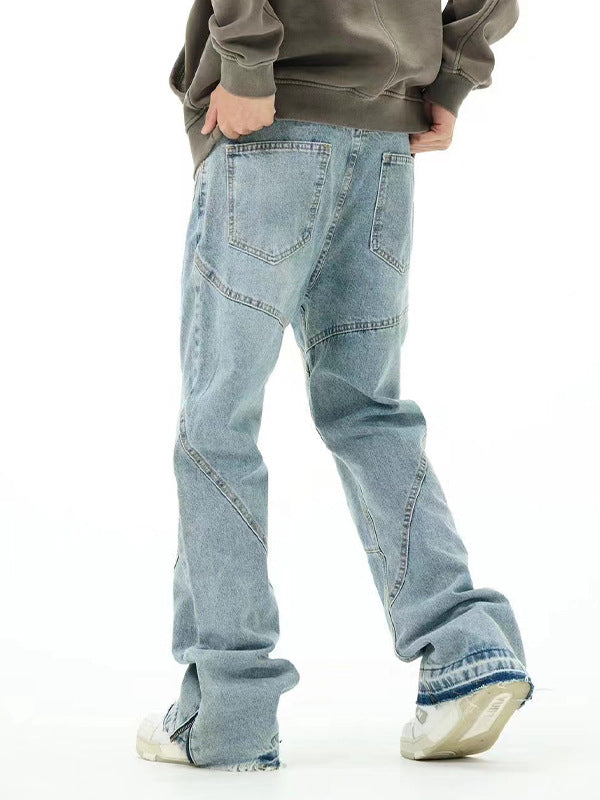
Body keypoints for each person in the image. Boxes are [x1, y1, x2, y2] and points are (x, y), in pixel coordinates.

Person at [136, 0, 533, 770]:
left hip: (270, 120)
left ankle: (230, 709)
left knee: (218, 424)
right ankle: (467, 653)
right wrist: (451, 76)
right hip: (383, 137)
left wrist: (247, 62)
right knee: (369, 410)